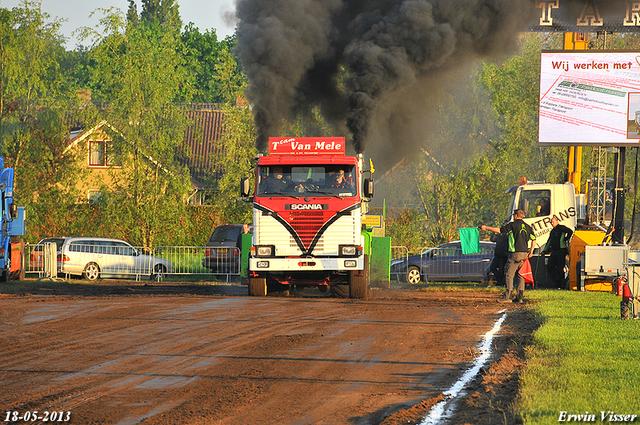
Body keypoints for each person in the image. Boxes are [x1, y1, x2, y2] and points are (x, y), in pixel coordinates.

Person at [481, 209, 536, 304]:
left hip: (515, 253)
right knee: (520, 275)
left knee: (509, 274)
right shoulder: (527, 227)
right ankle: (520, 297)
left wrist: (486, 228)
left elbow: (499, 230)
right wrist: (531, 251)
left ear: (515, 216)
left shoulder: (512, 225)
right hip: (524, 254)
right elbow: (534, 239)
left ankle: (507, 296)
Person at [543, 217, 573, 289]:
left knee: (560, 267)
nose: (551, 223)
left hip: (561, 250)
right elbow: (549, 241)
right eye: (551, 222)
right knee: (550, 266)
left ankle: (561, 284)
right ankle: (558, 280)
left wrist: (566, 239)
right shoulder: (553, 231)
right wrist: (545, 250)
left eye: (553, 222)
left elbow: (570, 231)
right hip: (554, 251)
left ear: (557, 221)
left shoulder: (561, 228)